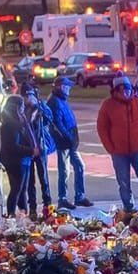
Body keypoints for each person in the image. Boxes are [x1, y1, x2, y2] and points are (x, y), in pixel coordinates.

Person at [96, 75, 138, 214]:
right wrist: (110, 147)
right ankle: (129, 208)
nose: (126, 92)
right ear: (115, 91)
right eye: (122, 89)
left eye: (128, 89)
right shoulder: (108, 105)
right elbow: (102, 127)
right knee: (123, 183)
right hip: (119, 152)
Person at [47, 76, 90, 208]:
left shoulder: (61, 100)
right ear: (60, 87)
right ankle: (63, 198)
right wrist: (68, 138)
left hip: (69, 141)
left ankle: (79, 196)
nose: (69, 89)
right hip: (64, 142)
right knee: (65, 170)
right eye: (67, 87)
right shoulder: (55, 101)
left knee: (78, 166)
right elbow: (58, 124)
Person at [0, 96, 39, 216]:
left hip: (23, 159)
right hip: (15, 160)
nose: (23, 109)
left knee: (22, 189)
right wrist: (31, 151)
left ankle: (23, 213)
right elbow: (13, 146)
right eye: (21, 106)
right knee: (17, 188)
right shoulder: (11, 124)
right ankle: (12, 214)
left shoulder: (19, 120)